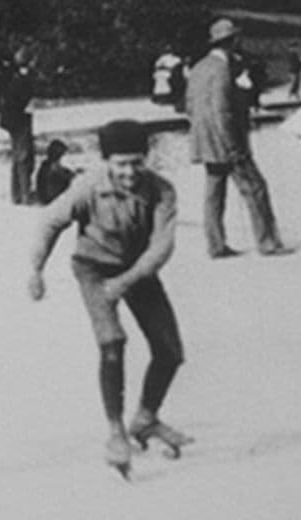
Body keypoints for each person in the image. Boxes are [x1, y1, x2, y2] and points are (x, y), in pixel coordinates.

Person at [27, 120, 191, 481]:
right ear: (106, 162)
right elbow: (50, 222)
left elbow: (161, 248)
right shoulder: (88, 186)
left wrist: (126, 281)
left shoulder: (161, 190)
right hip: (94, 269)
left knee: (170, 351)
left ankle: (145, 418)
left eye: (136, 163)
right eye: (120, 164)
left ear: (147, 158)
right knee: (112, 342)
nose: (129, 173)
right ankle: (116, 432)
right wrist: (36, 270)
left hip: (137, 270)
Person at [186, 19, 289, 258]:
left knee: (214, 193)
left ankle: (216, 245)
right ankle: (267, 242)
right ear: (232, 42)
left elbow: (189, 104)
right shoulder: (223, 69)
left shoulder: (199, 67)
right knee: (255, 188)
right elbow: (221, 109)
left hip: (205, 140)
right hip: (226, 139)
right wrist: (233, 145)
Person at [0, 52, 35, 205]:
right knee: (23, 157)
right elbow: (21, 102)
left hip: (14, 121)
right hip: (20, 121)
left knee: (17, 157)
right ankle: (24, 194)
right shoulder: (22, 81)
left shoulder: (13, 78)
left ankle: (17, 194)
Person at [34, 139, 74, 205]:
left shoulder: (46, 164)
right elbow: (64, 175)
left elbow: (62, 171)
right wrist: (73, 175)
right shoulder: (53, 165)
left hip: (44, 197)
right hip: (50, 198)